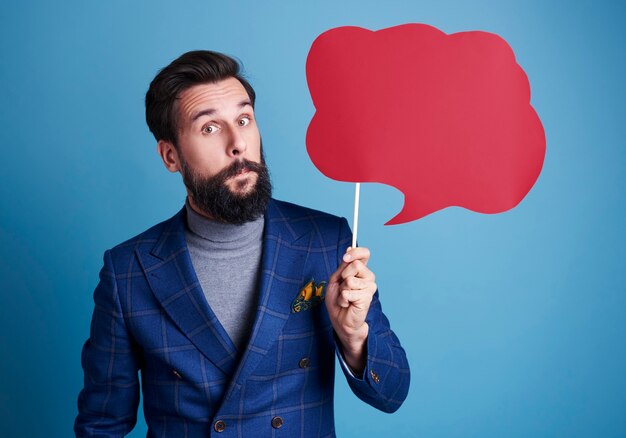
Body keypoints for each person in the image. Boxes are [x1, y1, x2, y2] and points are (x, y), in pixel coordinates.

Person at [75, 50, 410, 437]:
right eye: (209, 129)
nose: (238, 144)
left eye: (244, 119)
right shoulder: (128, 271)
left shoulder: (326, 240)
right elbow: (102, 424)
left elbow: (393, 393)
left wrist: (354, 337)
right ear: (171, 156)